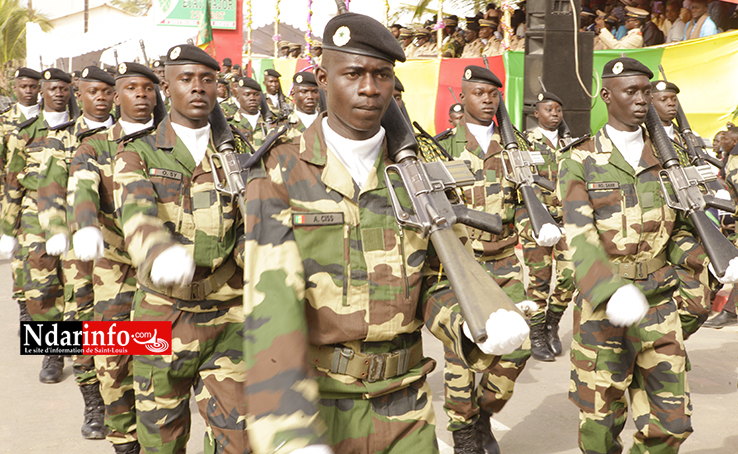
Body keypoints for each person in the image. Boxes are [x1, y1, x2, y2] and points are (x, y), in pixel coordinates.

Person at [243, 14, 529, 454]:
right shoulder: (280, 172)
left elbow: (435, 278)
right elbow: (271, 305)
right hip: (320, 403)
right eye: (353, 73)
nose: (370, 88)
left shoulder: (418, 174)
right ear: (323, 77)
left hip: (406, 402)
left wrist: (471, 323)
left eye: (381, 75)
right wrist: (287, 429)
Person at [559, 57, 726, 454]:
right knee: (599, 425)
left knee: (672, 424)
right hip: (603, 311)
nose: (640, 100)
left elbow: (683, 233)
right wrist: (608, 288)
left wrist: (714, 262)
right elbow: (579, 238)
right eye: (630, 91)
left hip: (659, 306)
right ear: (606, 95)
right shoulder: (580, 160)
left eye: (645, 92)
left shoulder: (668, 160)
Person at [113, 44, 250, 454]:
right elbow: (136, 213)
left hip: (229, 312)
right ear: (165, 87)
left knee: (239, 438)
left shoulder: (240, 152)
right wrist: (158, 253)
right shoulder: (137, 153)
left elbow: (254, 219)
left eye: (207, 80)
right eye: (186, 79)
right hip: (161, 312)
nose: (197, 88)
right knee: (161, 436)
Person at [438, 66, 561, 454]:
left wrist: (536, 229)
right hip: (460, 264)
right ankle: (463, 435)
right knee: (463, 351)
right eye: (478, 93)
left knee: (518, 346)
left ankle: (483, 414)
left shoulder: (516, 149)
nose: (487, 100)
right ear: (462, 97)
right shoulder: (441, 149)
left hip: (505, 262)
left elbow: (525, 204)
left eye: (493, 94)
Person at [67, 61, 161, 454]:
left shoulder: (172, 141)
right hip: (117, 268)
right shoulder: (96, 145)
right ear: (117, 95)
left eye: (148, 88)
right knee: (112, 360)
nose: (141, 95)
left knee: (159, 361)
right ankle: (123, 440)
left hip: (166, 273)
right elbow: (83, 185)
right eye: (131, 88)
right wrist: (85, 224)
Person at [38, 65, 119, 440]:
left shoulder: (131, 134)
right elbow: (50, 190)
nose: (101, 98)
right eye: (93, 91)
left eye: (107, 91)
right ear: (79, 94)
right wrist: (55, 230)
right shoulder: (63, 139)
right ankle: (93, 405)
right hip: (79, 251)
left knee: (125, 327)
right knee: (81, 323)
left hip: (122, 249)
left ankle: (123, 399)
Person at [0, 68, 77, 385]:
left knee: (77, 287)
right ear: (43, 92)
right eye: (52, 88)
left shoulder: (83, 130)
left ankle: (82, 351)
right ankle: (53, 354)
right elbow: (12, 183)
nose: (58, 93)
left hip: (76, 213)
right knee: (42, 287)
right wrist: (7, 229)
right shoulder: (25, 132)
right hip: (34, 218)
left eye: (64, 88)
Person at [521, 91, 576, 362]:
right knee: (539, 280)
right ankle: (537, 334)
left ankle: (552, 321)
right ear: (536, 114)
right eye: (548, 109)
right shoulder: (524, 142)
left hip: (567, 220)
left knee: (570, 276)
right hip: (537, 220)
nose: (554, 114)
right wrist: (537, 215)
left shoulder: (572, 142)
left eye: (558, 109)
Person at [0, 67, 41, 326]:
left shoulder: (55, 118)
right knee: (20, 258)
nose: (28, 91)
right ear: (15, 88)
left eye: (32, 86)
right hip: (12, 196)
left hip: (41, 197)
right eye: (23, 86)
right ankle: (24, 306)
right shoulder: (4, 120)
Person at [229, 76, 268, 148]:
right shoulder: (230, 125)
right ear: (238, 98)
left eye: (256, 95)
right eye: (247, 95)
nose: (252, 98)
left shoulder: (271, 122)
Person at [284, 71, 320, 140]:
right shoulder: (282, 127)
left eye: (315, 92)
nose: (310, 96)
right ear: (294, 95)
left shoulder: (329, 123)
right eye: (304, 92)